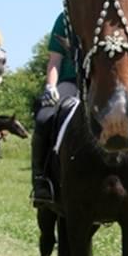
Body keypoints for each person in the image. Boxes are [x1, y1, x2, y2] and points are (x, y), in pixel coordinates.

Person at [31, 12, 78, 204]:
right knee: (44, 117)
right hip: (70, 81)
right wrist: (51, 86)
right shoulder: (64, 19)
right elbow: (55, 61)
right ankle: (41, 180)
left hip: (101, 83)